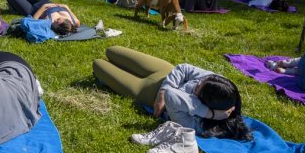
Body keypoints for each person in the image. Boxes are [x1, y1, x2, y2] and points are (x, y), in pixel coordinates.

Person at [92, 46, 252, 140]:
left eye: (198, 88)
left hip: (145, 91)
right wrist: (164, 89)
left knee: (98, 64)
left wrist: (209, 114)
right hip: (165, 71)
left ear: (204, 102)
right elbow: (184, 68)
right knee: (112, 50)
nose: (199, 81)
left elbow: (172, 96)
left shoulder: (197, 124)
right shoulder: (219, 85)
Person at [4, 0, 80, 36]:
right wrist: (66, 7)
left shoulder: (51, 25)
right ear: (68, 21)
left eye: (55, 23)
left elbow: (32, 21)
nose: (55, 20)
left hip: (31, 10)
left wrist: (43, 8)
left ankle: (14, 6)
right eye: (58, 20)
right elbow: (67, 8)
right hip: (43, 1)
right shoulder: (75, 22)